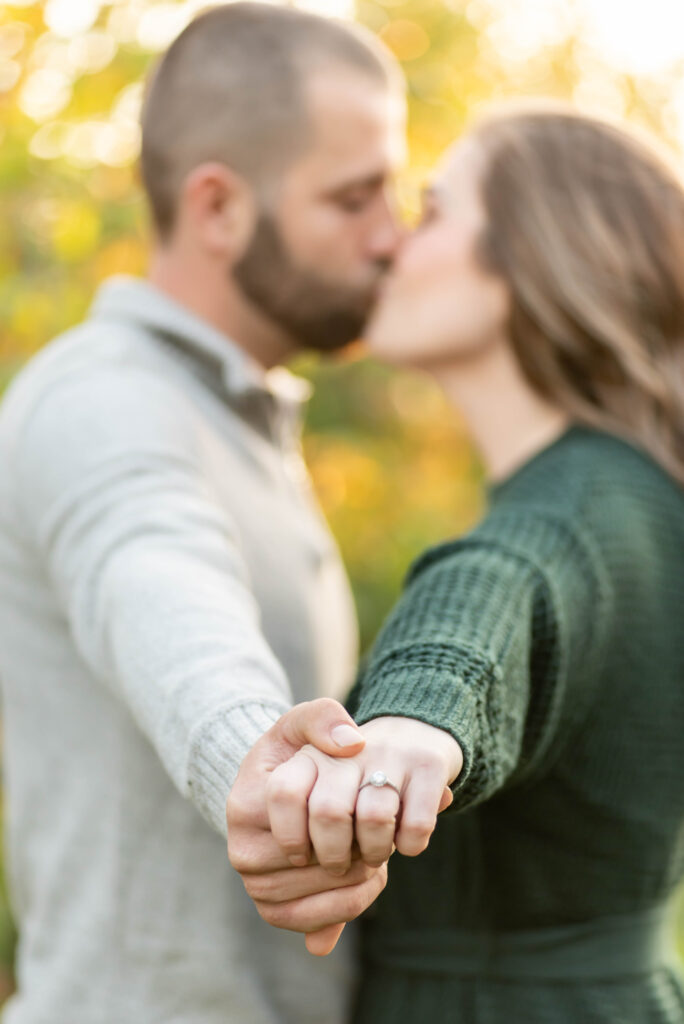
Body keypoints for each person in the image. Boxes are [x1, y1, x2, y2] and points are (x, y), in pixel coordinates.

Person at [228, 106, 684, 1022]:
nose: (393, 243)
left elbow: (497, 592)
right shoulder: (633, 493)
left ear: (533, 256)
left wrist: (407, 724)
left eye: (433, 211)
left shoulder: (579, 511)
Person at [0, 4, 407, 1022]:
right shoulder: (101, 397)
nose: (391, 237)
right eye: (355, 199)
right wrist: (249, 756)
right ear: (220, 207)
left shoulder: (238, 415)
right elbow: (150, 570)